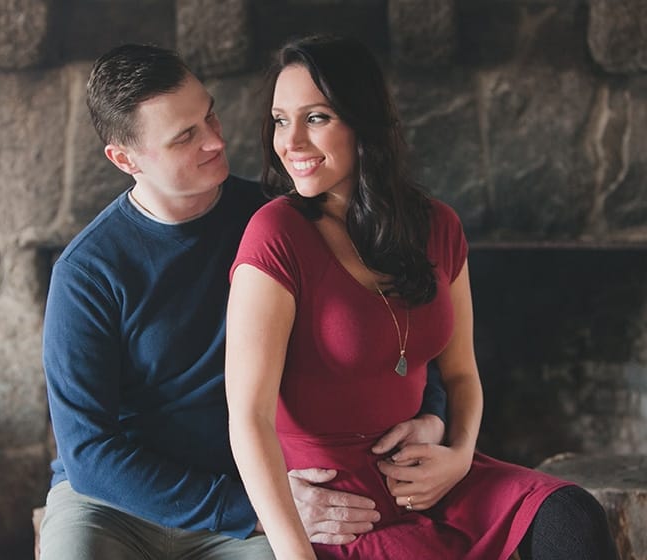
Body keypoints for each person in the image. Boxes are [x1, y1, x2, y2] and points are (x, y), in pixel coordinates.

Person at [40, 43, 454, 560]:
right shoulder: (86, 273)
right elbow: (88, 455)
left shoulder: (285, 220)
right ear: (125, 159)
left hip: (256, 491)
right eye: (185, 136)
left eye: (209, 114)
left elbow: (394, 324)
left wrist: (432, 412)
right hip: (116, 507)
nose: (216, 139)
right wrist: (248, 509)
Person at [225, 34, 619, 560]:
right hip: (343, 506)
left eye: (315, 117)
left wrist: (457, 455)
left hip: (434, 475)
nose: (290, 141)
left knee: (571, 516)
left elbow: (461, 375)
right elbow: (247, 418)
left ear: (362, 122)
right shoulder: (274, 233)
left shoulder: (438, 226)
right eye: (279, 119)